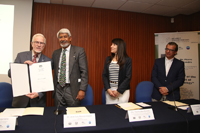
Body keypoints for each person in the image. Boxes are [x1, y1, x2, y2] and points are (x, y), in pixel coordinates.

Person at [8, 33, 51, 107]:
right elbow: (10, 73)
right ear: (32, 44)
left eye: (41, 43)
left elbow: (47, 82)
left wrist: (39, 94)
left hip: (38, 102)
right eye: (36, 42)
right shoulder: (21, 56)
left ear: (44, 45)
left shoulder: (48, 61)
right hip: (21, 100)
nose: (39, 45)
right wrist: (23, 67)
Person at [52, 28, 88, 107]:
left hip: (72, 89)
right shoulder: (56, 53)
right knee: (59, 113)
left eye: (65, 37)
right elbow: (48, 69)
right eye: (60, 37)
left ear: (70, 38)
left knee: (73, 113)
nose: (63, 39)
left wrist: (82, 90)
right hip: (58, 88)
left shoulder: (79, 51)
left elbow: (84, 72)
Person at [102, 38, 132, 104]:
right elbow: (104, 75)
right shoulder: (108, 59)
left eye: (114, 44)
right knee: (110, 111)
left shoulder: (127, 60)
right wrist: (108, 89)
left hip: (122, 92)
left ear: (120, 47)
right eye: (111, 44)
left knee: (122, 111)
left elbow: (128, 77)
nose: (111, 46)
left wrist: (118, 91)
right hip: (110, 91)